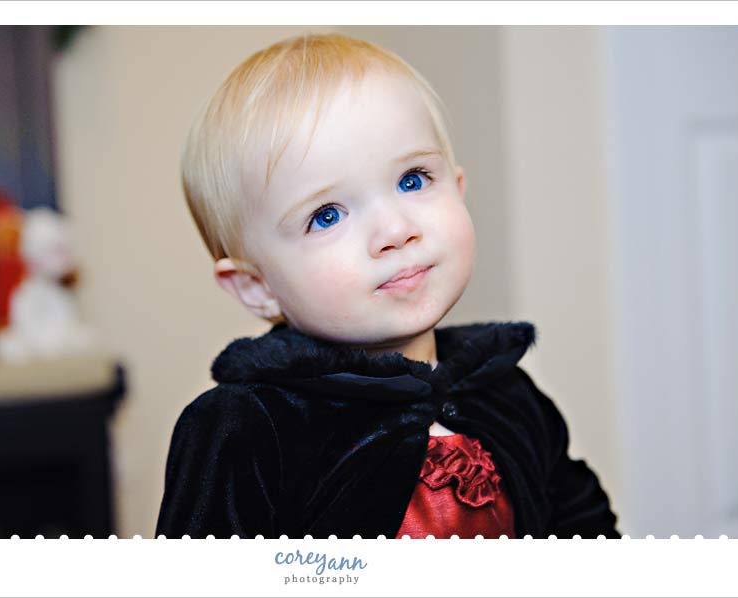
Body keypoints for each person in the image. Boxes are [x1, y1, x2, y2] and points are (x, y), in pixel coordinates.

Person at [155, 32, 620, 539]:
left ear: (458, 190)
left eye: (413, 179)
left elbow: (584, 529)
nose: (396, 231)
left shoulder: (505, 392)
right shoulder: (247, 430)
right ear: (255, 286)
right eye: (327, 215)